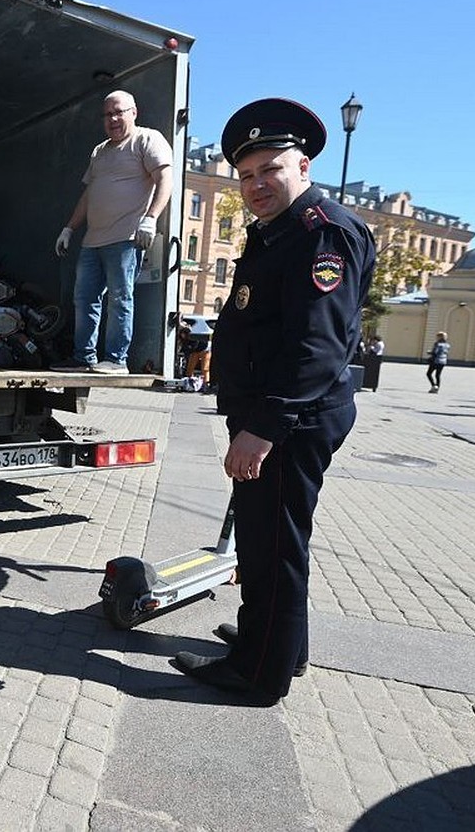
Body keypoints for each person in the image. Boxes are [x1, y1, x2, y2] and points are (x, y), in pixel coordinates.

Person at [171, 98, 376, 706]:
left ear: (304, 166)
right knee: (278, 539)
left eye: (271, 169)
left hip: (288, 419)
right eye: (246, 174)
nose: (256, 184)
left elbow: (316, 346)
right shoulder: (283, 231)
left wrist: (261, 428)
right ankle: (283, 645)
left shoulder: (322, 233)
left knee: (269, 545)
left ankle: (258, 673)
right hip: (280, 413)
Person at [51, 90, 174, 375]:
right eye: (107, 114)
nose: (113, 119)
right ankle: (84, 358)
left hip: (126, 238)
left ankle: (117, 360)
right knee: (84, 299)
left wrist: (150, 218)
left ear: (134, 112)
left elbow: (164, 179)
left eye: (119, 112)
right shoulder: (100, 151)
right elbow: (89, 194)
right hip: (92, 240)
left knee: (120, 297)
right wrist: (69, 227)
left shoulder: (147, 139)